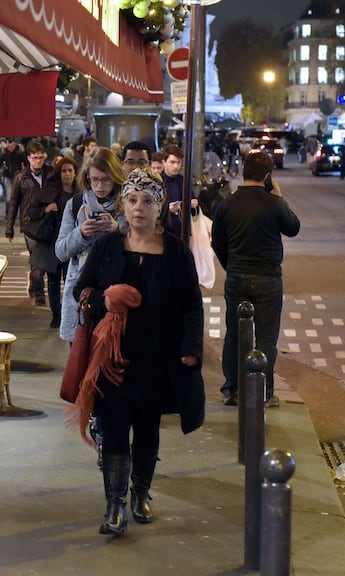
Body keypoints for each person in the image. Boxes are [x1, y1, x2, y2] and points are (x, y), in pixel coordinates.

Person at [70, 167, 205, 536]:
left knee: (147, 430)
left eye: (147, 200)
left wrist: (192, 348)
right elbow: (80, 292)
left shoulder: (176, 252)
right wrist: (105, 298)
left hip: (157, 359)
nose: (139, 207)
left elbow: (192, 305)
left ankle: (141, 492)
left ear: (159, 207)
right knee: (114, 431)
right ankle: (114, 504)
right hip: (112, 359)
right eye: (131, 200)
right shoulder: (107, 246)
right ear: (123, 205)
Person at [211, 151, 301, 408]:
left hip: (237, 275)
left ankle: (231, 389)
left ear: (243, 172)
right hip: (267, 277)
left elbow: (217, 241)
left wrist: (232, 266)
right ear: (268, 176)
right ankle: (264, 391)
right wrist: (279, 197)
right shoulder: (273, 203)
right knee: (266, 337)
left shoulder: (227, 204)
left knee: (233, 333)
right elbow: (293, 228)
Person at [55, 147, 125, 343]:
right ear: (87, 178)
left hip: (114, 293)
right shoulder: (76, 204)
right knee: (79, 362)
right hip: (81, 294)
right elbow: (60, 251)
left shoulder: (126, 204)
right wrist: (81, 233)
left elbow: (137, 248)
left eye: (105, 179)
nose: (100, 185)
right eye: (94, 179)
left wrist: (117, 229)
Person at [25, 155, 76, 327]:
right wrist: (46, 209)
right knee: (53, 280)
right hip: (53, 243)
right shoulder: (51, 191)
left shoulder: (81, 193)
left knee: (71, 280)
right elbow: (31, 210)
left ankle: (69, 313)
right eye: (64, 171)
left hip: (73, 243)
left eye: (70, 170)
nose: (67, 174)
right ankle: (56, 314)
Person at [6, 141, 52, 307]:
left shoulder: (51, 174)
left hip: (47, 222)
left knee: (42, 259)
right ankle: (39, 293)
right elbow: (14, 203)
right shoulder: (21, 177)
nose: (38, 161)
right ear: (28, 158)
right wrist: (9, 227)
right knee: (37, 259)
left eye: (40, 157)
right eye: (35, 158)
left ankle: (34, 283)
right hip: (29, 224)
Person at [159, 144, 196, 238]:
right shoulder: (157, 181)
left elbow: (193, 202)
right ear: (164, 162)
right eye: (172, 162)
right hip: (163, 230)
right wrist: (167, 209)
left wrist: (194, 204)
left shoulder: (184, 180)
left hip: (183, 230)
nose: (176, 166)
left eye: (178, 162)